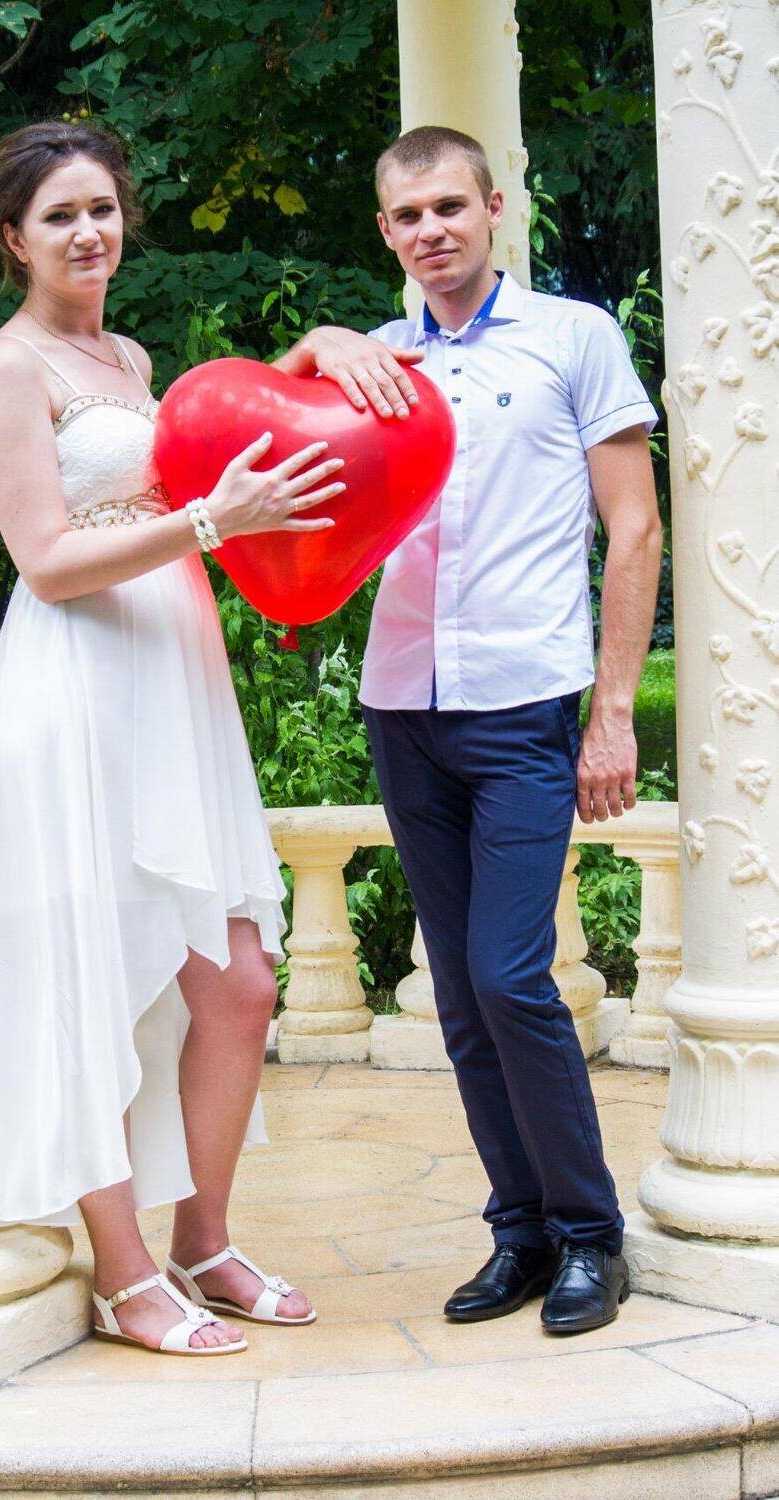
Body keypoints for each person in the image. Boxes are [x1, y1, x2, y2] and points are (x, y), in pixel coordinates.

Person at [0, 119, 380, 1356]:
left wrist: (313, 350)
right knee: (93, 979)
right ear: (13, 239)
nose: (88, 231)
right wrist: (208, 526)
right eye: (59, 216)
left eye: (101, 207)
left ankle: (205, 1236)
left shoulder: (130, 357)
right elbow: (46, 559)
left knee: (240, 984)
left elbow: (204, 456)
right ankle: (124, 1270)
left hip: (173, 683)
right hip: (77, 687)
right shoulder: (7, 368)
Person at [285, 126, 661, 1335]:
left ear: (497, 208)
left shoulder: (573, 338)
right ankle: (522, 1233)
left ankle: (592, 1236)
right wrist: (322, 341)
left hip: (523, 701)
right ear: (385, 232)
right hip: (403, 703)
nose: (430, 230)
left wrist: (612, 714)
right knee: (456, 994)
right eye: (407, 216)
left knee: (509, 974)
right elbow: (254, 426)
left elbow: (635, 528)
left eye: (450, 205)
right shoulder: (374, 361)